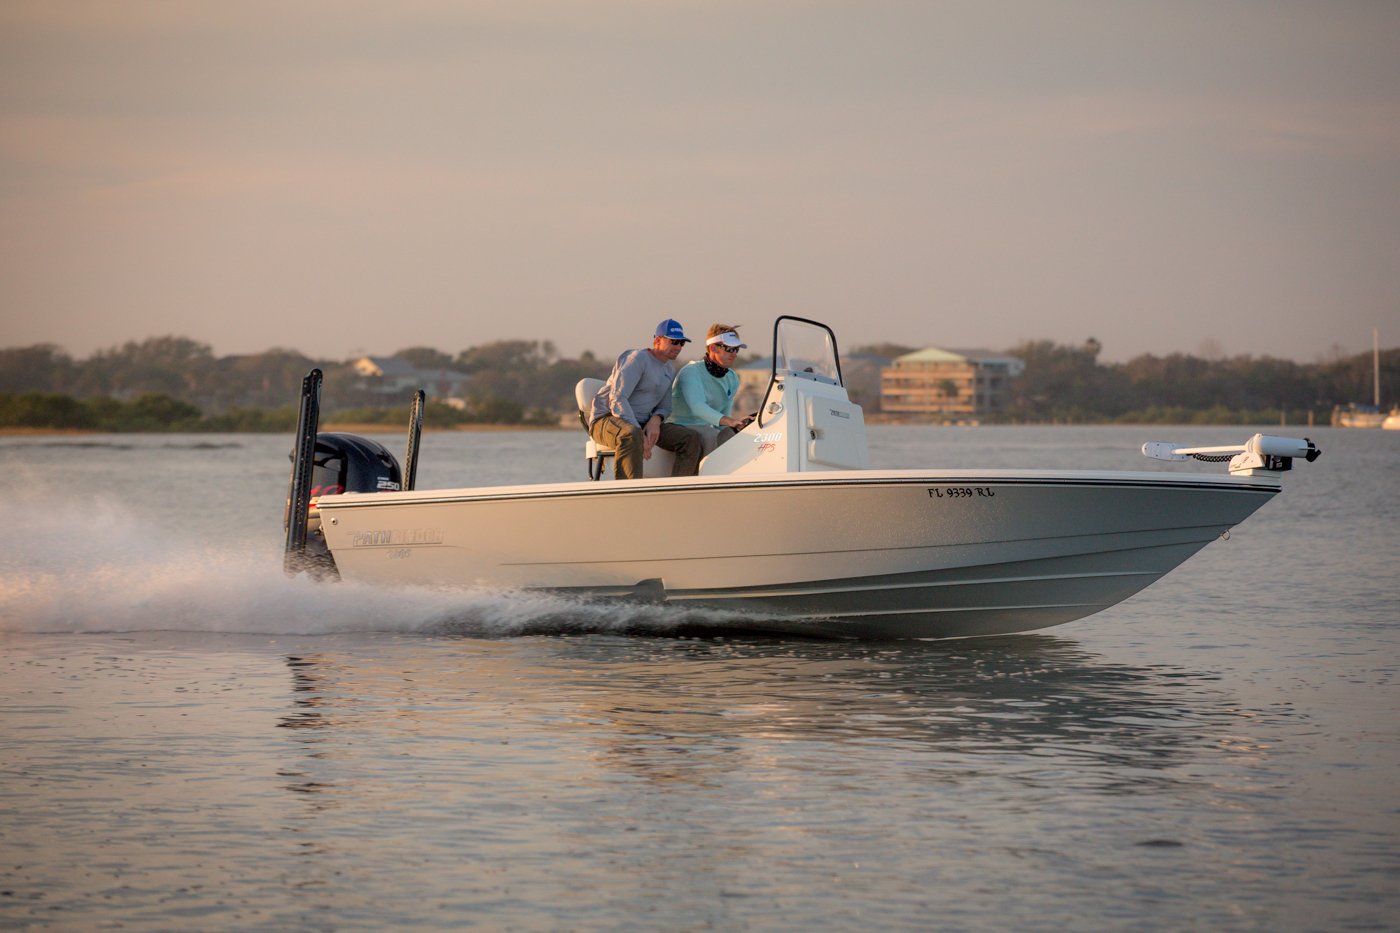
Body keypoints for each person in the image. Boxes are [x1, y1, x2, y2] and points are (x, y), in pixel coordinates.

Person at [587, 319, 703, 480]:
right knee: (631, 434)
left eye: (682, 343)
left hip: (641, 424)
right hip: (607, 419)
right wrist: (640, 435)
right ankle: (628, 493)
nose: (678, 347)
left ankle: (677, 492)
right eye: (674, 342)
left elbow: (665, 407)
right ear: (657, 341)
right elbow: (617, 399)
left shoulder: (669, 369)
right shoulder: (637, 359)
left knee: (692, 439)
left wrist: (655, 420)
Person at [667, 324, 750, 458]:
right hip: (676, 427)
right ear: (713, 348)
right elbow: (698, 408)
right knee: (711, 435)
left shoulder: (733, 378)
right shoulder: (691, 371)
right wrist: (731, 422)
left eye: (736, 349)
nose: (734, 354)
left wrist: (736, 429)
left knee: (740, 439)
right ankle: (707, 478)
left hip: (703, 428)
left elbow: (723, 419)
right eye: (729, 349)